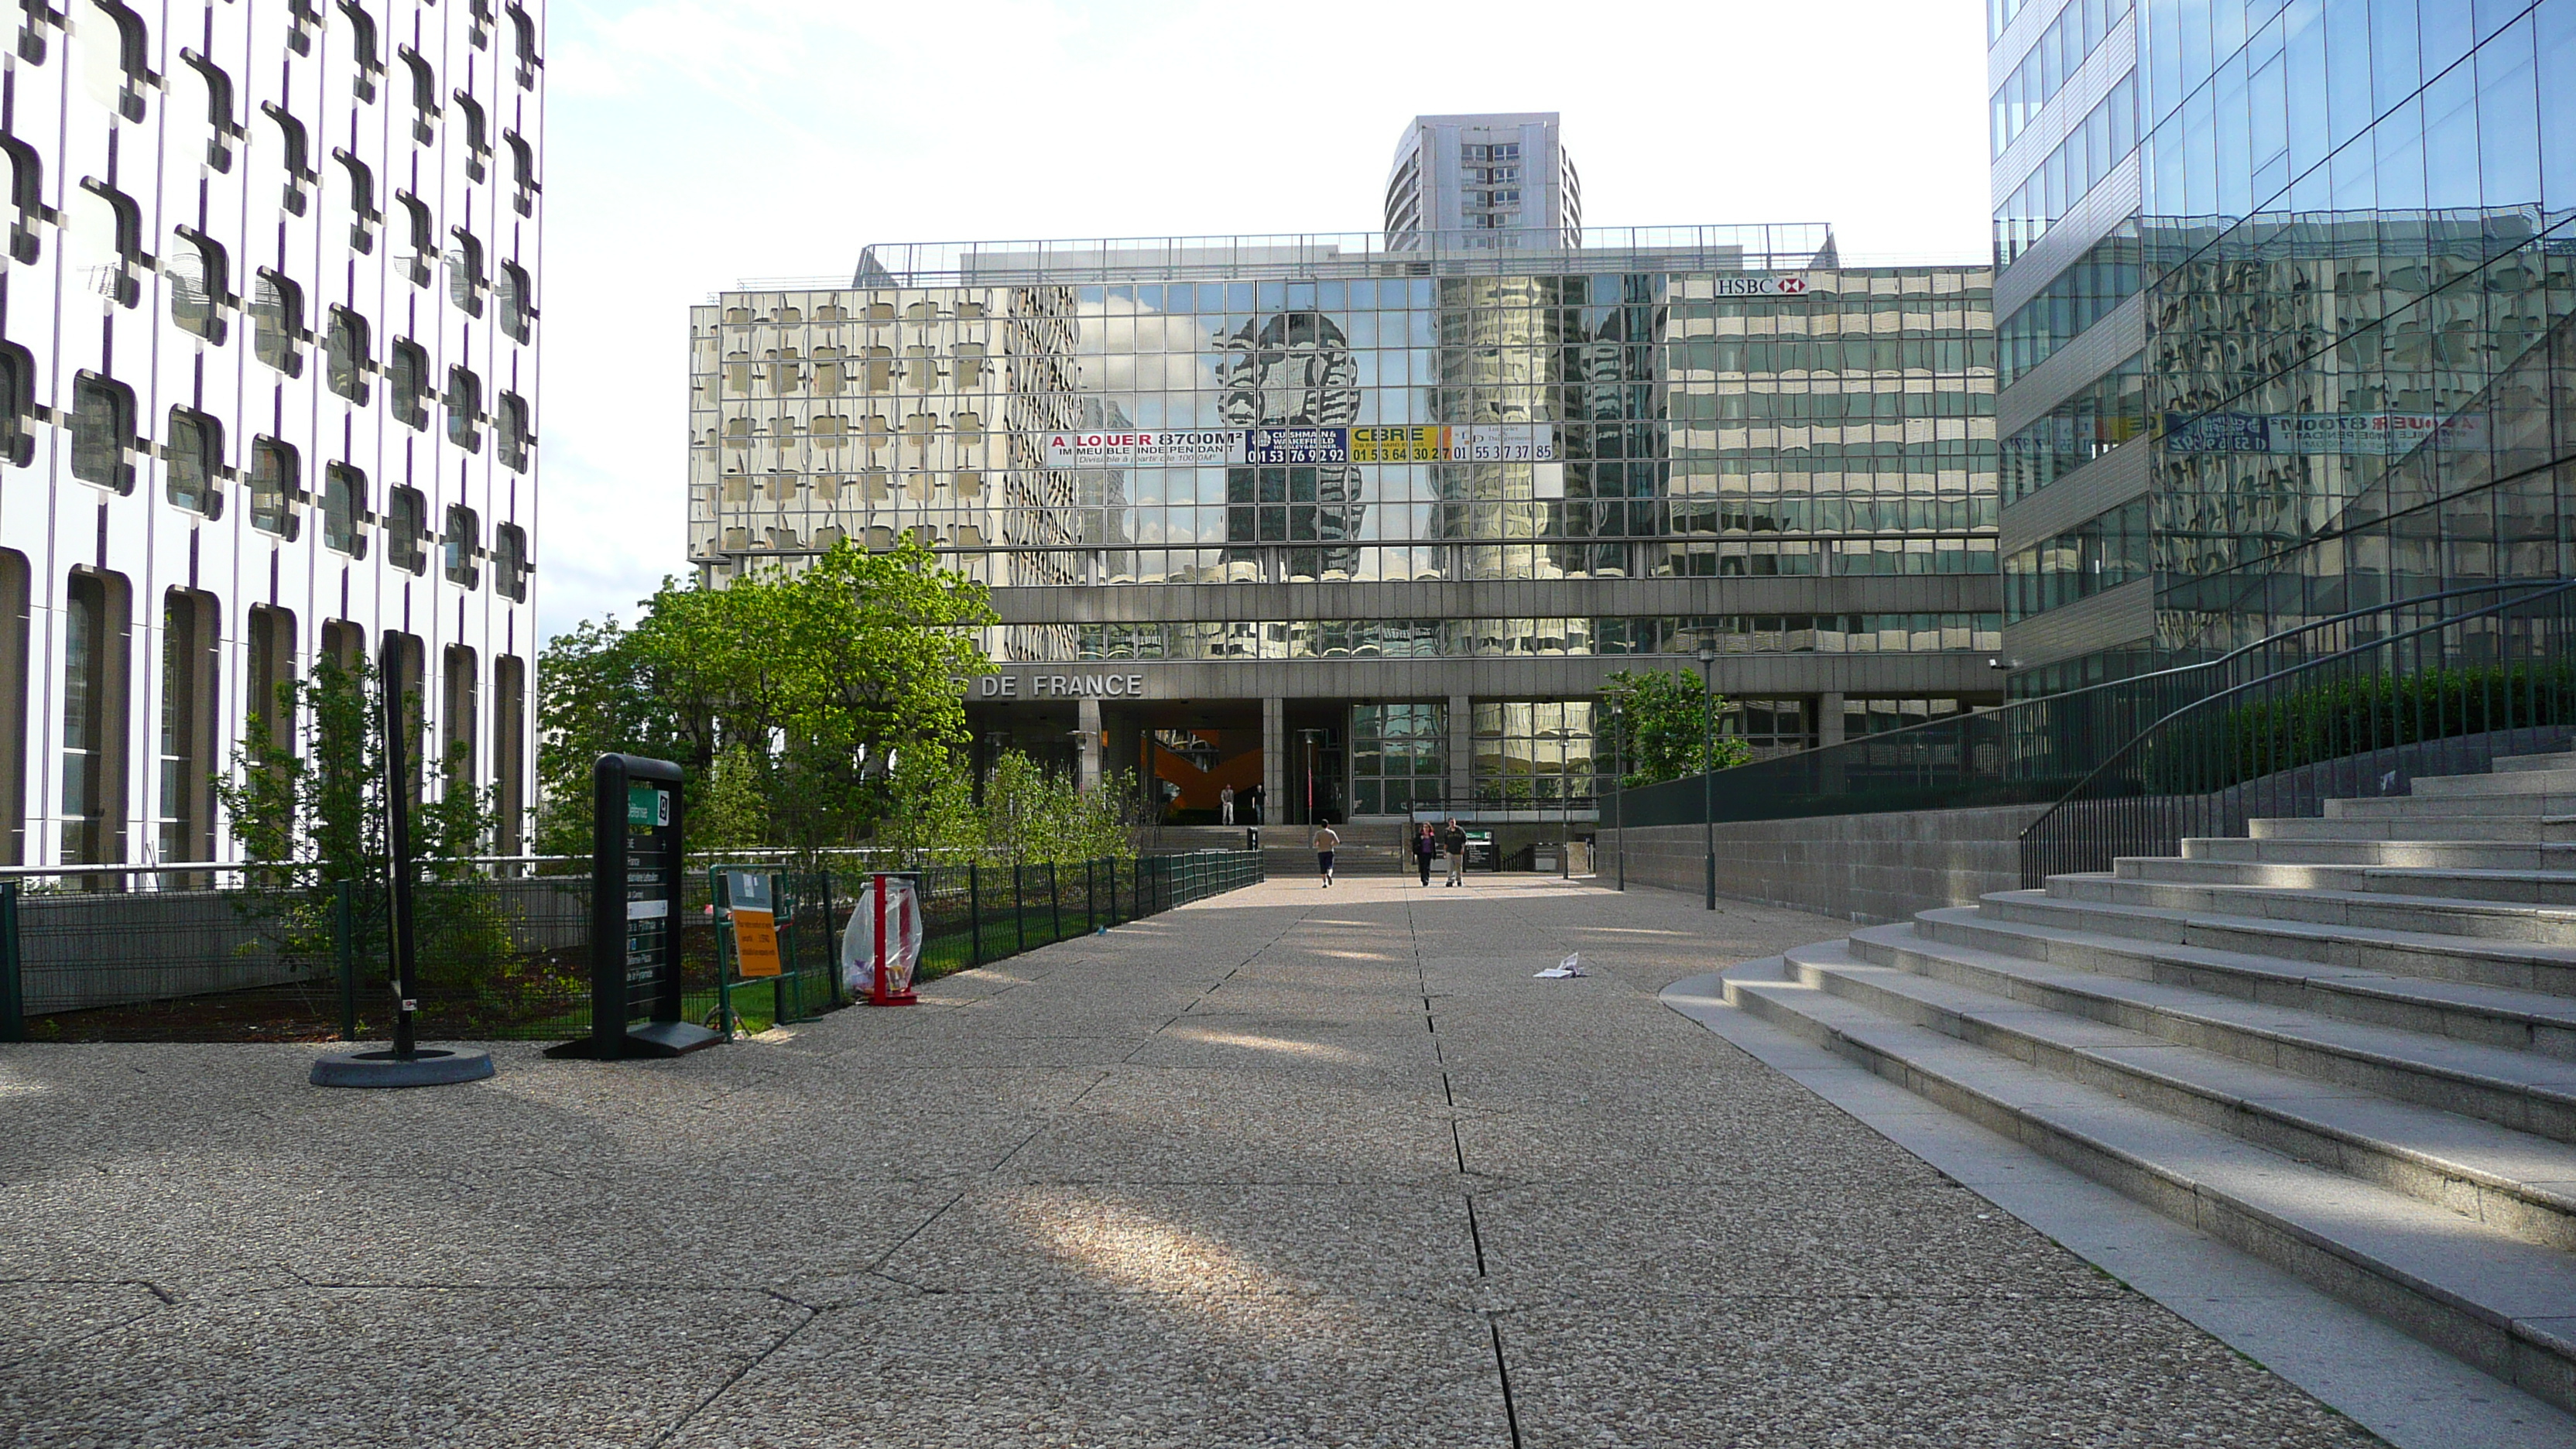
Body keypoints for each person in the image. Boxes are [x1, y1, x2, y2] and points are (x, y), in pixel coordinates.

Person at [1441, 818, 1468, 886]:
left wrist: (1463, 848)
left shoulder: (1460, 830)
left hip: (1458, 851)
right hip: (1450, 851)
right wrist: (1444, 851)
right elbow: (1445, 842)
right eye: (1451, 822)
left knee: (1458, 867)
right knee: (1450, 867)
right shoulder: (1447, 831)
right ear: (1449, 823)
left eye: (1453, 822)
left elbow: (1464, 840)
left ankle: (1459, 880)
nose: (1452, 823)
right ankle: (1450, 880)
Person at [1312, 821, 1340, 888]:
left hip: (1321, 851)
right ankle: (1329, 875)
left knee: (1322, 868)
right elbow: (1337, 842)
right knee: (1330, 866)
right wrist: (1332, 845)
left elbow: (1315, 842)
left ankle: (1325, 883)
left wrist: (1317, 845)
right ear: (1328, 825)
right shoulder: (1331, 832)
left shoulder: (1318, 833)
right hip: (1329, 851)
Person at [1413, 822, 1438, 886]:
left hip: (1428, 853)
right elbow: (1415, 843)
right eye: (1424, 827)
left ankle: (1426, 879)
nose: (1426, 829)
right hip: (1421, 853)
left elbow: (1433, 846)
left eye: (1427, 827)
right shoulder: (1419, 835)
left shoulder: (1431, 836)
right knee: (1422, 867)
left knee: (1427, 867)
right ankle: (1423, 879)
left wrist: (1434, 854)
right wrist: (1420, 839)